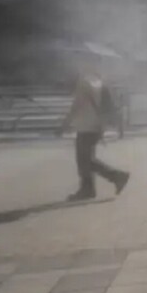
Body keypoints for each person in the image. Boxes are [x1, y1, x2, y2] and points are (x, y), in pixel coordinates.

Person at [58, 53, 130, 201]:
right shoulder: (98, 81)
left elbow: (76, 106)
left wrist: (64, 124)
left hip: (86, 125)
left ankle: (116, 176)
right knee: (87, 159)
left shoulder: (84, 82)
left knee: (85, 160)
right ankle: (88, 188)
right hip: (96, 125)